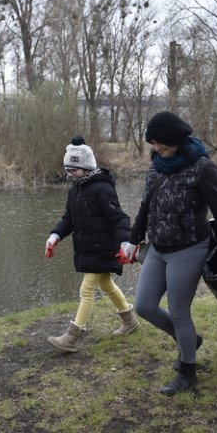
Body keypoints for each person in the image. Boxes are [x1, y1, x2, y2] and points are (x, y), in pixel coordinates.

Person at [120, 111, 217, 395]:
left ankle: (187, 369)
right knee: (143, 305)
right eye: (153, 142)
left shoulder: (202, 168)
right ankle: (189, 341)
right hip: (157, 247)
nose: (157, 147)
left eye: (162, 142)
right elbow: (146, 206)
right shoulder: (156, 167)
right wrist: (133, 240)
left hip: (189, 248)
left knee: (180, 311)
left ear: (178, 140)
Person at [44, 135, 139, 352]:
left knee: (86, 289)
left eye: (74, 170)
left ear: (86, 168)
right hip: (88, 248)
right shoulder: (74, 191)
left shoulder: (102, 189)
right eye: (67, 170)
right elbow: (68, 219)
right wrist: (55, 236)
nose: (70, 174)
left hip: (104, 247)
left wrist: (126, 242)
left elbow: (120, 219)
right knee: (106, 284)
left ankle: (71, 336)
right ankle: (130, 321)